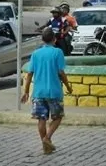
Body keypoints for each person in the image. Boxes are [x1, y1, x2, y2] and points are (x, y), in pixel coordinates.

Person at [21, 27, 72, 155]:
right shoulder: (57, 52)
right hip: (54, 91)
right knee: (58, 117)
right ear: (54, 40)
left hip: (38, 92)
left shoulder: (36, 54)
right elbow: (61, 72)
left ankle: (46, 146)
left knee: (41, 119)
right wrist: (68, 86)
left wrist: (26, 92)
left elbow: (29, 75)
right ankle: (47, 139)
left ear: (43, 40)